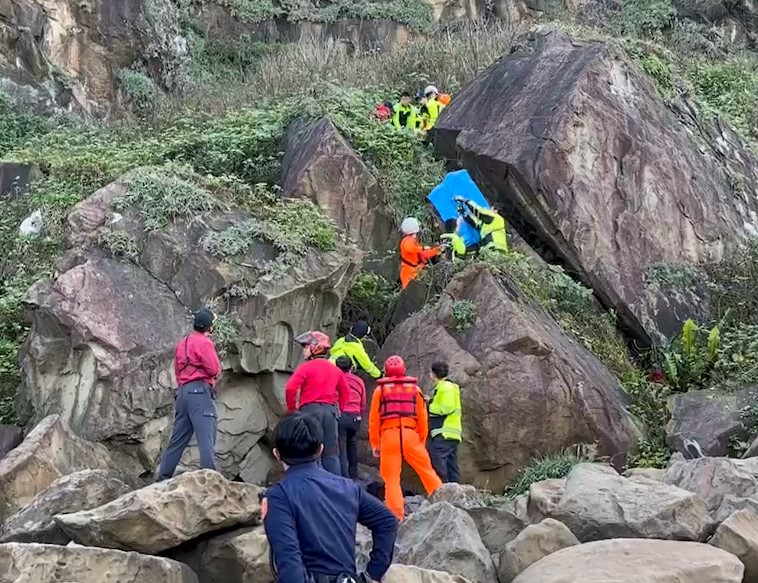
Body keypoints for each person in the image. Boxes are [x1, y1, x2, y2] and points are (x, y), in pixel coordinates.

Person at [264, 412, 398, 583]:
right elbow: (387, 521)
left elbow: (289, 560)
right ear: (320, 450)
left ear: (277, 454)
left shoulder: (278, 496)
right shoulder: (348, 487)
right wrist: (372, 575)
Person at [368, 355, 442, 520]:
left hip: (389, 436)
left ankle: (396, 516)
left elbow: (374, 419)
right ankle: (444, 500)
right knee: (426, 471)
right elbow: (423, 418)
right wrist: (420, 442)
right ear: (404, 370)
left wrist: (375, 443)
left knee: (391, 478)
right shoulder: (415, 390)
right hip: (410, 434)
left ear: (386, 371)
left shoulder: (380, 390)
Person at [157, 308, 221, 481]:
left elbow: (178, 370)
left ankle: (162, 479)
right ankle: (210, 481)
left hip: (183, 393)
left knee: (177, 441)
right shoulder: (205, 342)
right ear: (209, 327)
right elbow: (214, 369)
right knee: (206, 438)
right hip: (199, 392)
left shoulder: (183, 342)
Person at [285, 330, 350, 476]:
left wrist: (292, 410)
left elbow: (290, 388)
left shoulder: (305, 368)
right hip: (329, 413)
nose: (303, 350)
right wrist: (339, 409)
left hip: (309, 412)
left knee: (311, 454)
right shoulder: (335, 370)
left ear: (315, 347)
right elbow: (345, 391)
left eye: (305, 346)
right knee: (331, 455)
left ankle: (315, 488)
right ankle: (335, 489)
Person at [426, 361, 462, 483]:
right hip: (452, 431)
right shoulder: (447, 387)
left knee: (436, 455)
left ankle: (443, 485)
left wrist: (428, 406)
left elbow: (446, 408)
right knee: (451, 462)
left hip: (444, 431)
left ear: (434, 374)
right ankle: (454, 487)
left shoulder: (445, 387)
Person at [335, 356, 366, 479]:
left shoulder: (336, 380)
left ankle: (344, 478)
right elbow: (363, 403)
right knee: (352, 443)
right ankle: (354, 477)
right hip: (355, 418)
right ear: (352, 367)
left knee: (341, 449)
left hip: (341, 416)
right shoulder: (359, 381)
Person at [399, 217, 439, 289]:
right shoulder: (408, 241)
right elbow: (410, 249)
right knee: (408, 291)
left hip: (414, 269)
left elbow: (422, 254)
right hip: (409, 271)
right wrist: (423, 248)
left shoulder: (410, 240)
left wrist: (436, 250)